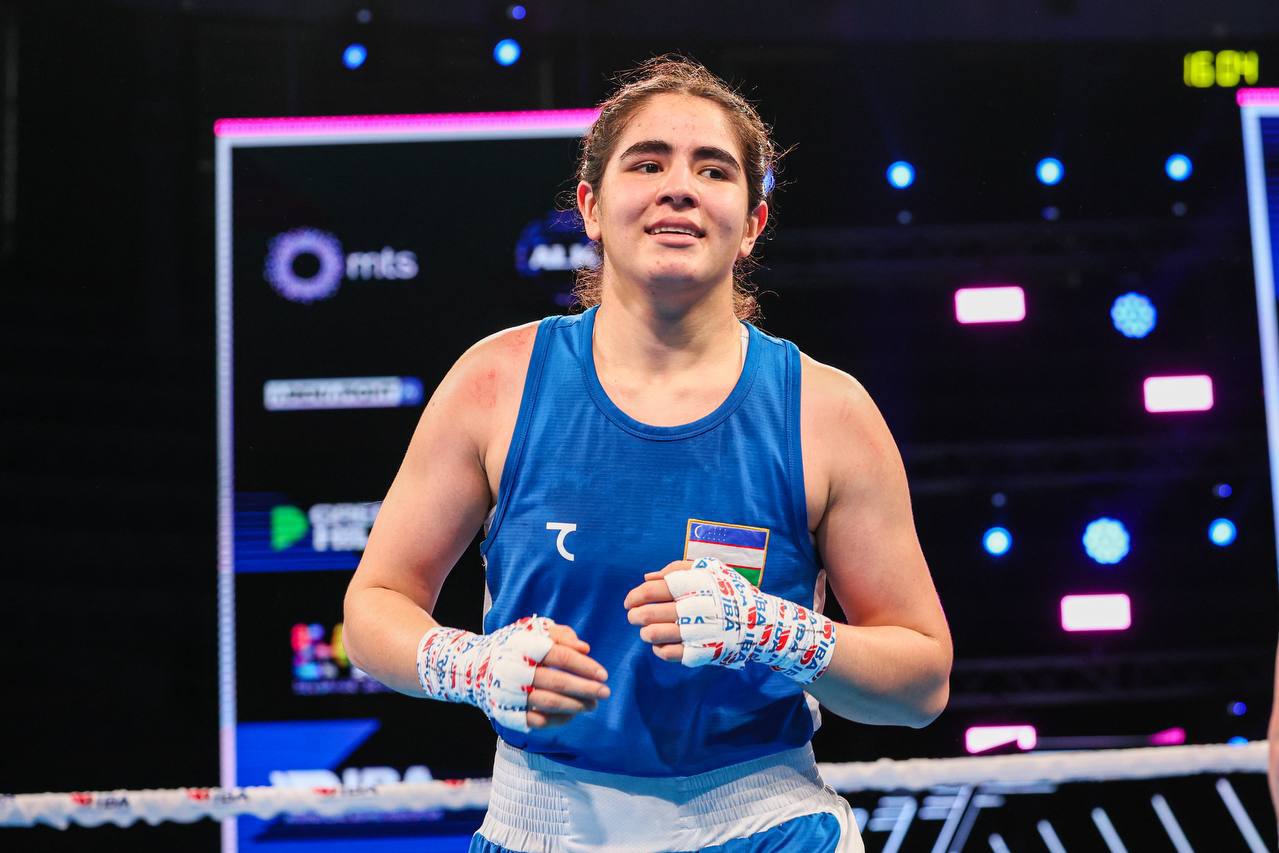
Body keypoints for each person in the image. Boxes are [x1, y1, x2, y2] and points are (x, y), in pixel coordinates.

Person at [343, 55, 952, 853]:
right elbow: (374, 605)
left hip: (767, 826)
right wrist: (473, 665)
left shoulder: (826, 412)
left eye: (713, 169)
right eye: (647, 162)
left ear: (751, 224)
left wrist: (774, 630)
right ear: (591, 208)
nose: (679, 188)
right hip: (540, 827)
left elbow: (919, 684)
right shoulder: (496, 383)